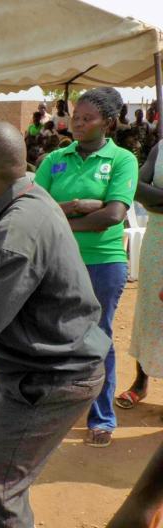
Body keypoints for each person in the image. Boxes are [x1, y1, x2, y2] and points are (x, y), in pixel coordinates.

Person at [0, 121, 109, 528]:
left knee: (0, 491)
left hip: (51, 376)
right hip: (21, 365)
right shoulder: (18, 198)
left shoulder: (16, 231)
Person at [35, 87, 137, 448]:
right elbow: (34, 207)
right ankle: (58, 410)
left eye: (87, 118)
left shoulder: (123, 159)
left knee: (98, 340)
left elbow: (113, 215)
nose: (77, 123)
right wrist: (79, 205)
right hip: (58, 263)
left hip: (103, 265)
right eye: (75, 117)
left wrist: (63, 213)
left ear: (108, 122)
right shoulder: (55, 159)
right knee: (57, 338)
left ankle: (101, 417)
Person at [115, 139, 163, 410]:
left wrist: (157, 197)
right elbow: (136, 186)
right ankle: (140, 382)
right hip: (158, 242)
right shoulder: (160, 148)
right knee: (149, 311)